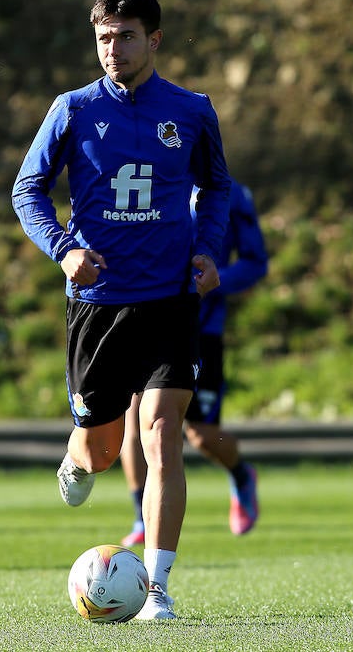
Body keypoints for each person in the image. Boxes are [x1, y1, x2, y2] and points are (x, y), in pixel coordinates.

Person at [12, 0, 232, 620]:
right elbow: (28, 189)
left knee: (162, 431)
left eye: (126, 37)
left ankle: (157, 586)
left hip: (170, 297)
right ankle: (77, 456)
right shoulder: (73, 110)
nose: (114, 49)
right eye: (104, 37)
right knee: (103, 452)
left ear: (154, 40)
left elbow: (216, 188)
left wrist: (207, 250)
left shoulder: (191, 111)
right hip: (99, 301)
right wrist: (63, 249)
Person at [118, 181, 267, 547]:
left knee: (202, 435)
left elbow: (255, 262)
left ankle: (241, 474)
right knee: (134, 420)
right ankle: (141, 515)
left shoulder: (232, 193)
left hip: (201, 329)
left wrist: (211, 280)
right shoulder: (148, 177)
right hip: (145, 319)